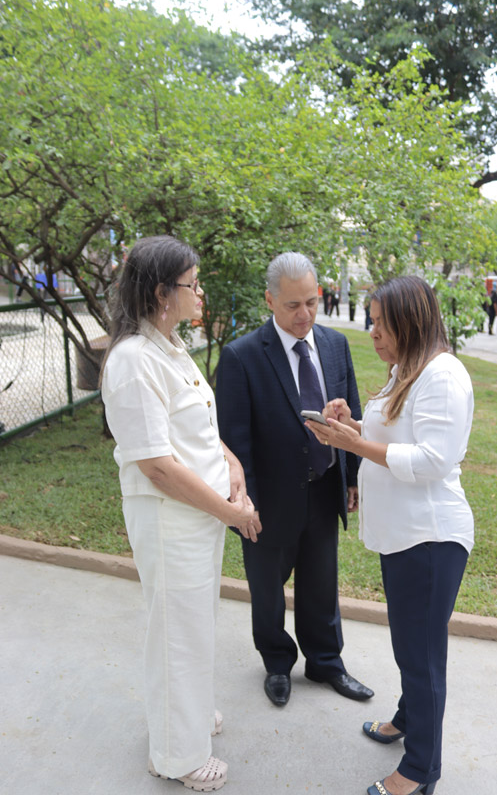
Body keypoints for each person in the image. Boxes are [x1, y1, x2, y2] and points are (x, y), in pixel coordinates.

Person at [306, 276, 474, 795]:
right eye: (371, 321)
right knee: (410, 646)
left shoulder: (442, 375)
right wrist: (351, 427)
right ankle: (407, 718)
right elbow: (394, 438)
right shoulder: (406, 370)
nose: (372, 331)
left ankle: (421, 769)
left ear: (409, 320)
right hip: (403, 535)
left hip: (429, 538)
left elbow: (431, 460)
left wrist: (354, 447)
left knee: (422, 655)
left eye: (380, 322)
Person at [101, 235, 255, 791]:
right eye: (193, 283)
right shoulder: (132, 361)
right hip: (172, 518)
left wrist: (231, 465)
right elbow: (158, 466)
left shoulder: (169, 347)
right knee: (175, 633)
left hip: (199, 516)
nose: (201, 292)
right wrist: (232, 512)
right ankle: (175, 754)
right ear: (163, 292)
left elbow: (198, 431)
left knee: (193, 626)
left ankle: (184, 719)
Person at [216, 252, 374, 708]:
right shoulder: (242, 356)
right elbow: (233, 442)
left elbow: (353, 415)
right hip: (268, 499)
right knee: (267, 589)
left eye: (311, 301)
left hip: (324, 488)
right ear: (269, 300)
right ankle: (277, 663)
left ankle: (326, 662)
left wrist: (352, 476)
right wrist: (247, 505)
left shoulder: (335, 344)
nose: (304, 314)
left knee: (322, 584)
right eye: (292, 305)